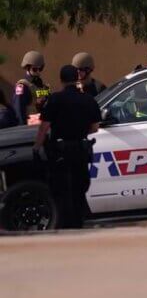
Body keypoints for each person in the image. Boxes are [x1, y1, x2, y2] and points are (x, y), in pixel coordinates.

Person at [33, 65, 102, 229]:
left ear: (61, 80)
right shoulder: (88, 99)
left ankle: (65, 224)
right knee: (79, 188)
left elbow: (44, 126)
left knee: (62, 189)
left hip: (61, 151)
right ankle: (79, 222)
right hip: (80, 149)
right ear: (77, 78)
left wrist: (37, 147)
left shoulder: (55, 99)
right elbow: (95, 128)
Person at [12, 51, 50, 125]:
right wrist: (22, 128)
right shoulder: (21, 86)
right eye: (35, 69)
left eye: (41, 68)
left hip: (42, 125)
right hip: (29, 127)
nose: (38, 71)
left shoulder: (42, 86)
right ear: (27, 67)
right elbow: (18, 109)